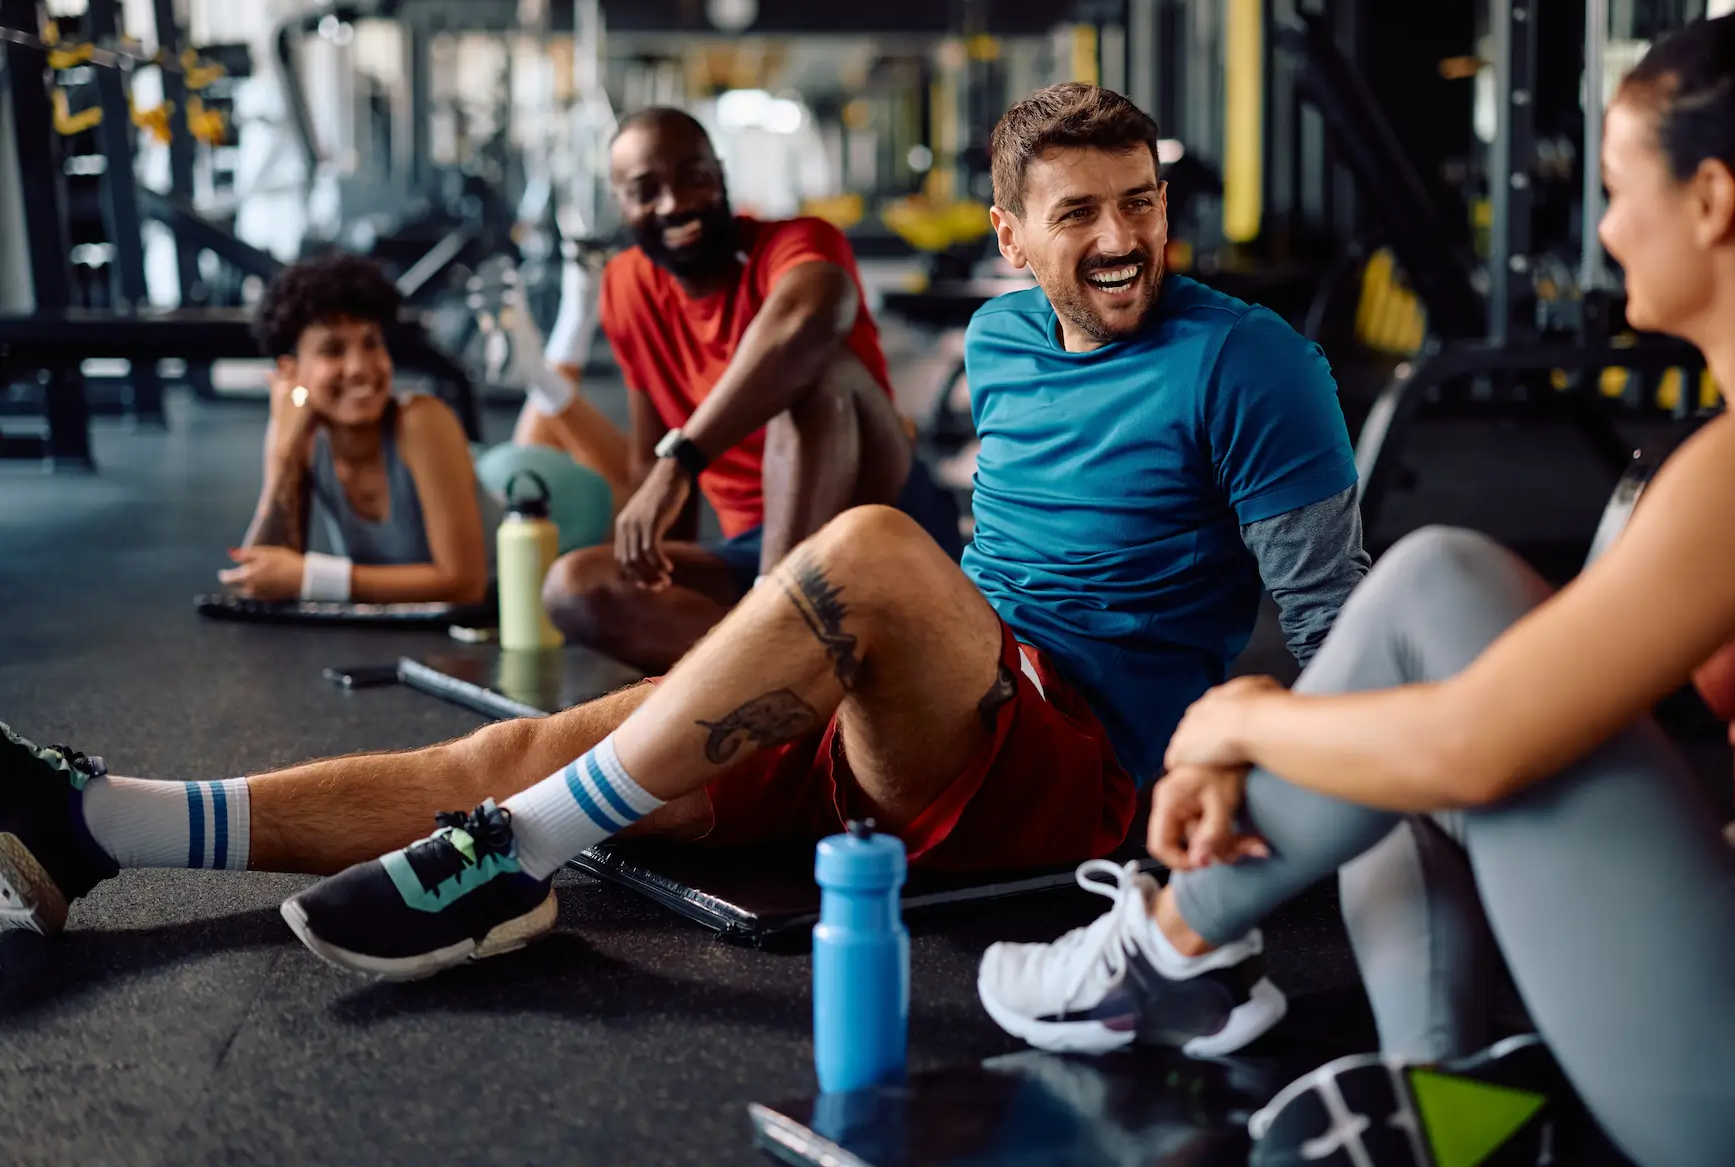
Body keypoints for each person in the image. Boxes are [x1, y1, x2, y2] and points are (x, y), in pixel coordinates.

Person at [0, 87, 1366, 1025]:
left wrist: (1306, 802)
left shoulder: (1256, 366)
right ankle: (106, 822)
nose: (1124, 240)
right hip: (916, 710)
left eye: (1141, 204)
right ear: (1011, 239)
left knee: (876, 550)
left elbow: (1336, 626)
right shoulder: (1004, 345)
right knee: (507, 756)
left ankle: (515, 860)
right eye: (1080, 216)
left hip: (1072, 761)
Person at [974, 11, 1735, 1167]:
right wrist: (1305, 728)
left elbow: (1475, 742)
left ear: (1714, 202)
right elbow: (1509, 700)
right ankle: (1433, 1094)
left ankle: (1165, 947)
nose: (1607, 231)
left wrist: (1243, 717)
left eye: (1619, 192)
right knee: (1422, 628)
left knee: (1433, 598)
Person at [496, 106, 962, 671]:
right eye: (646, 190)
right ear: (621, 204)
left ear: (720, 177)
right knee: (574, 586)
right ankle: (800, 667)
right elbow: (655, 454)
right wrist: (658, 578)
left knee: (814, 369)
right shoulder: (627, 286)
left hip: (880, 513)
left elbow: (816, 307)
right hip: (754, 551)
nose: (675, 202)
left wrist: (681, 461)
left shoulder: (795, 242)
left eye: (693, 175)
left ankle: (776, 635)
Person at [215, 253, 489, 605]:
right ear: (291, 372)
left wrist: (311, 576)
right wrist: (282, 456)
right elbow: (264, 581)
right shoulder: (306, 437)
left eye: (371, 343)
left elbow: (465, 584)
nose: (359, 367)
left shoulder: (421, 420)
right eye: (333, 350)